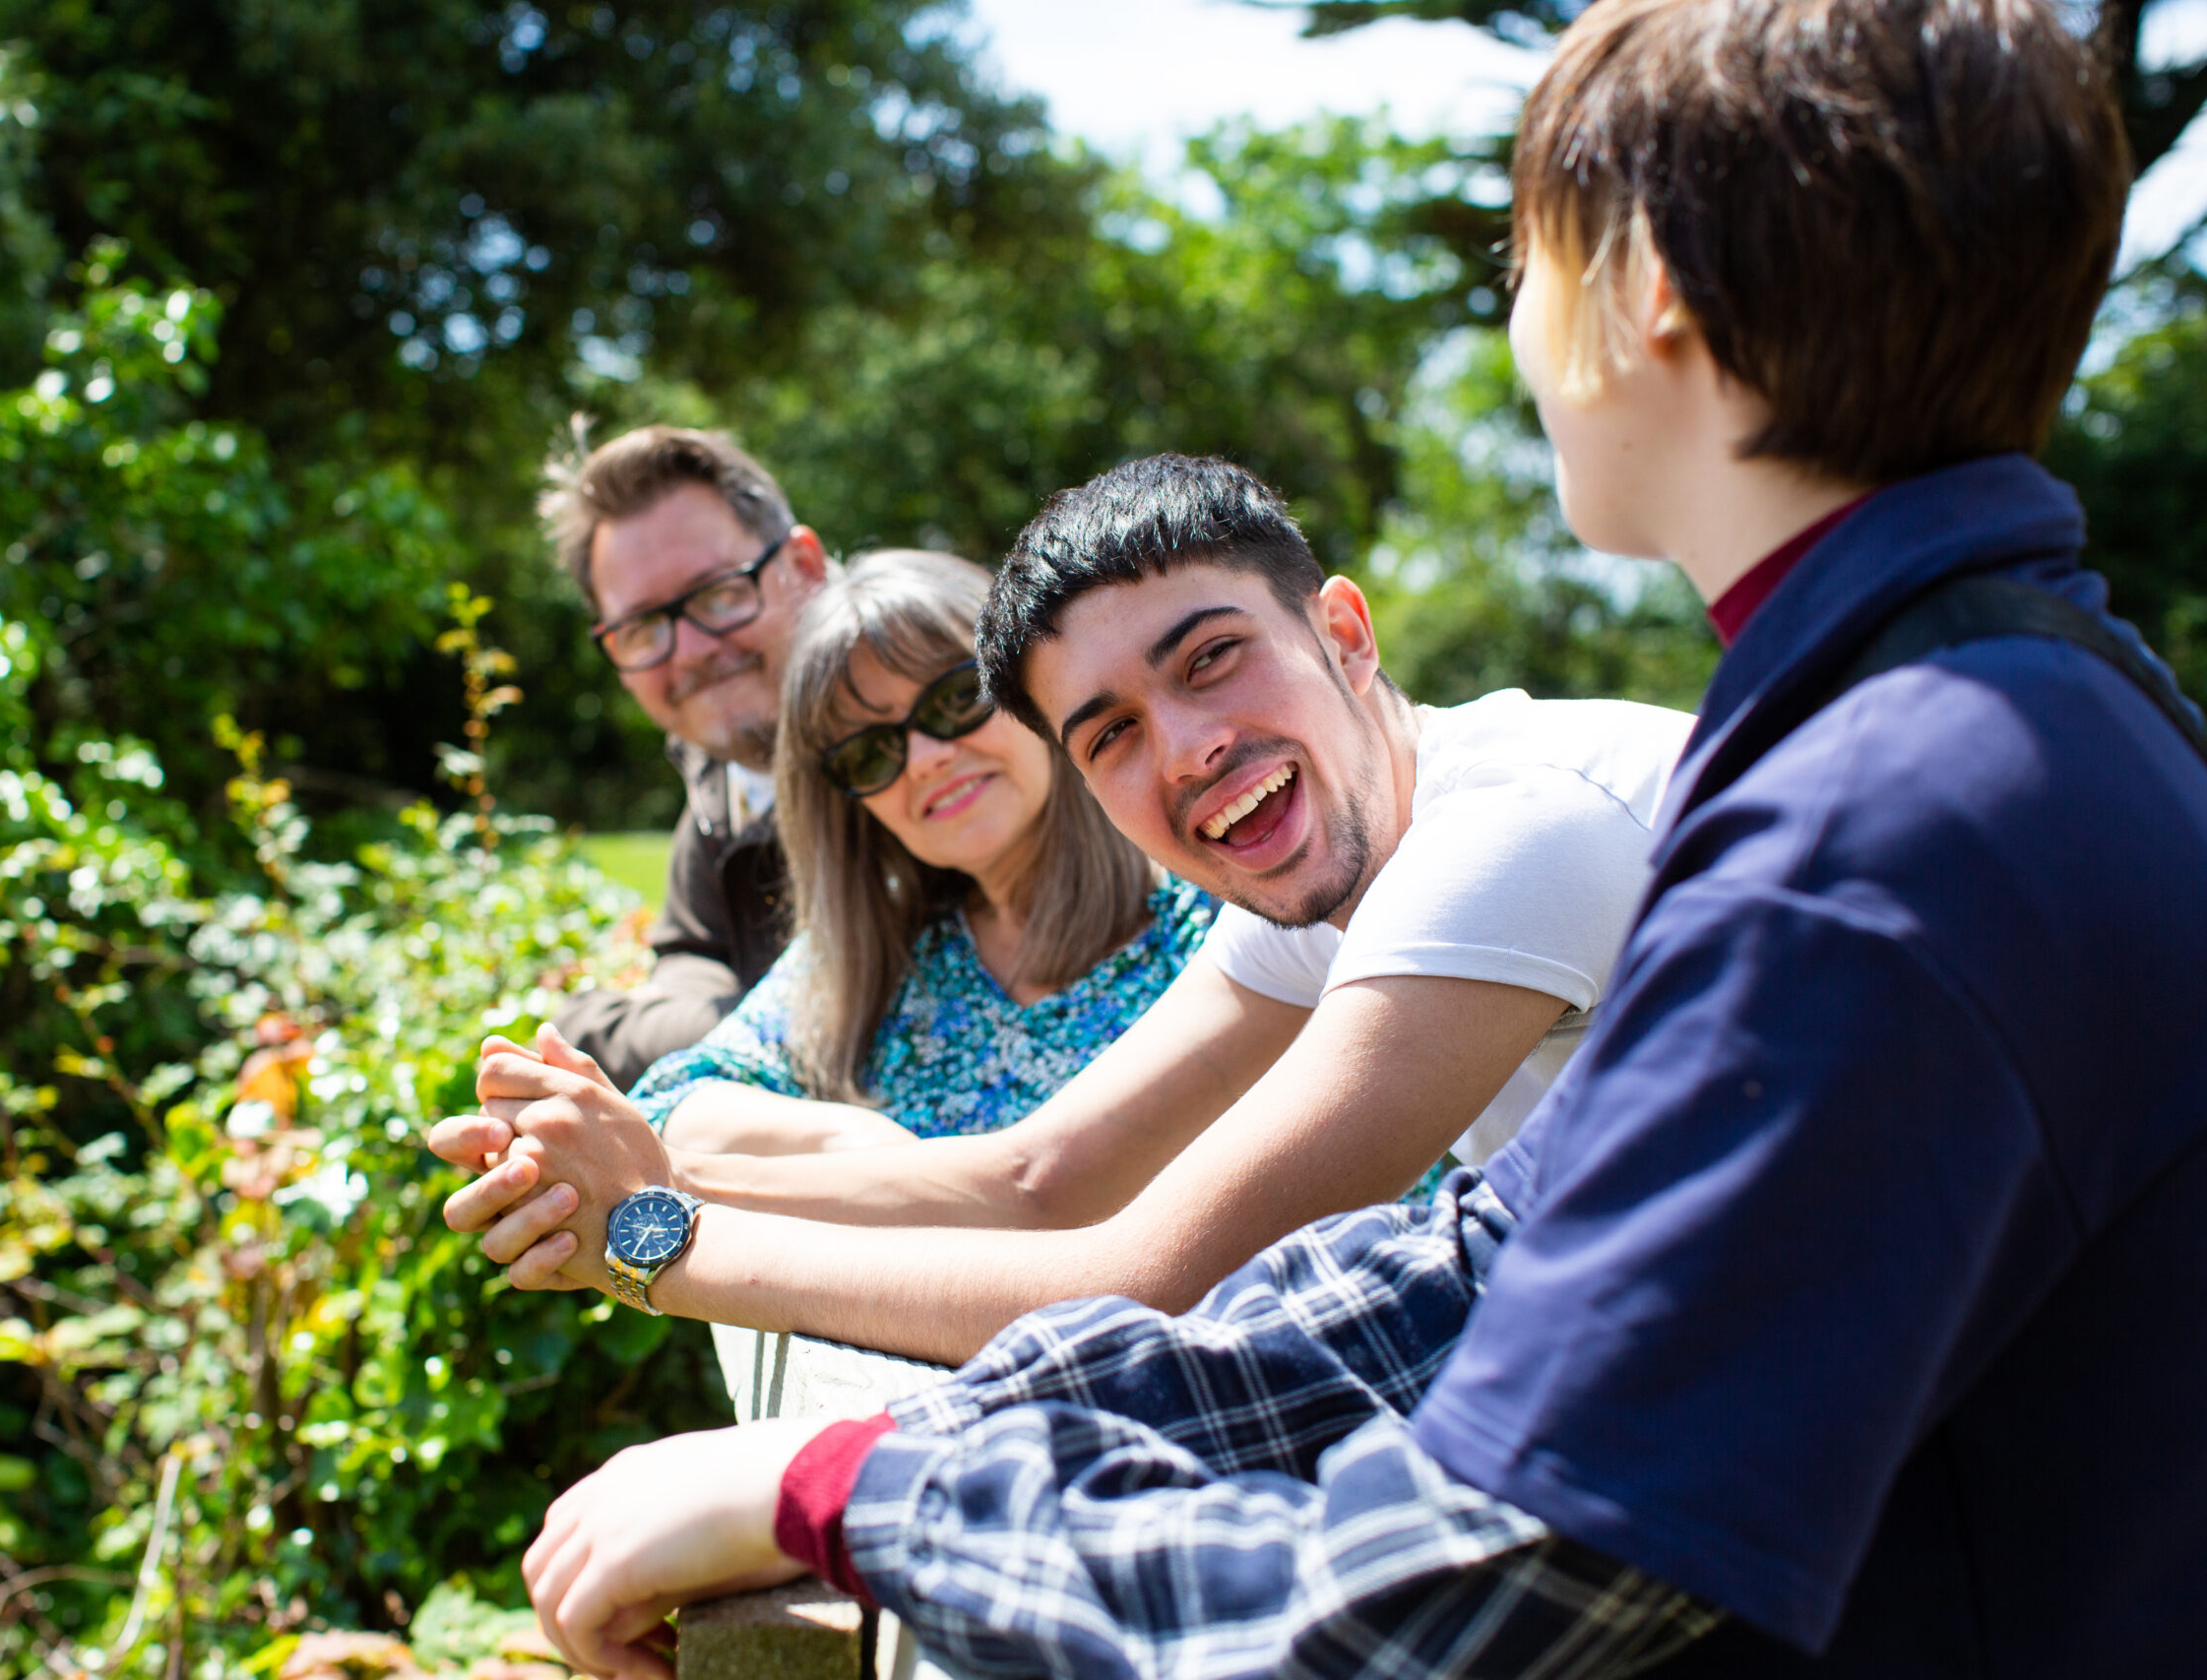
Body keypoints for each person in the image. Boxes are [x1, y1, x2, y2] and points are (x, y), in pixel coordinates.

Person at [508, 2, 2207, 1675]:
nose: (1515, 325)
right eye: (1106, 727)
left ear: (1650, 293)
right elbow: (1449, 1278)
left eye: (1526, 259)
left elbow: (1463, 1572)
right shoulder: (1968, 729)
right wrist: (856, 1454)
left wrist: (851, 1484)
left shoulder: (1871, 842)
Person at [432, 455, 1694, 1366]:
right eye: (1111, 732)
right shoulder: (1311, 888)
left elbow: (1143, 1281)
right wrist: (642, 1173)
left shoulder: (1509, 830)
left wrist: (653, 1240)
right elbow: (1038, 1180)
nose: (1189, 749)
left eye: (1211, 659)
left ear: (1345, 633)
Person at [622, 546, 1218, 1156]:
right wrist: (850, 1140)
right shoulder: (883, 956)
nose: (927, 758)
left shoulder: (1215, 911)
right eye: (870, 753)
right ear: (853, 806)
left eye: (957, 698)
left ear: (1034, 689)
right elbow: (670, 1103)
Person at [538, 423, 829, 1090]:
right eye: (644, 626)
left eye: (720, 593)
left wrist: (596, 1028)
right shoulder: (723, 768)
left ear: (805, 569)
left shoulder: (917, 743)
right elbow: (693, 950)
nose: (692, 651)